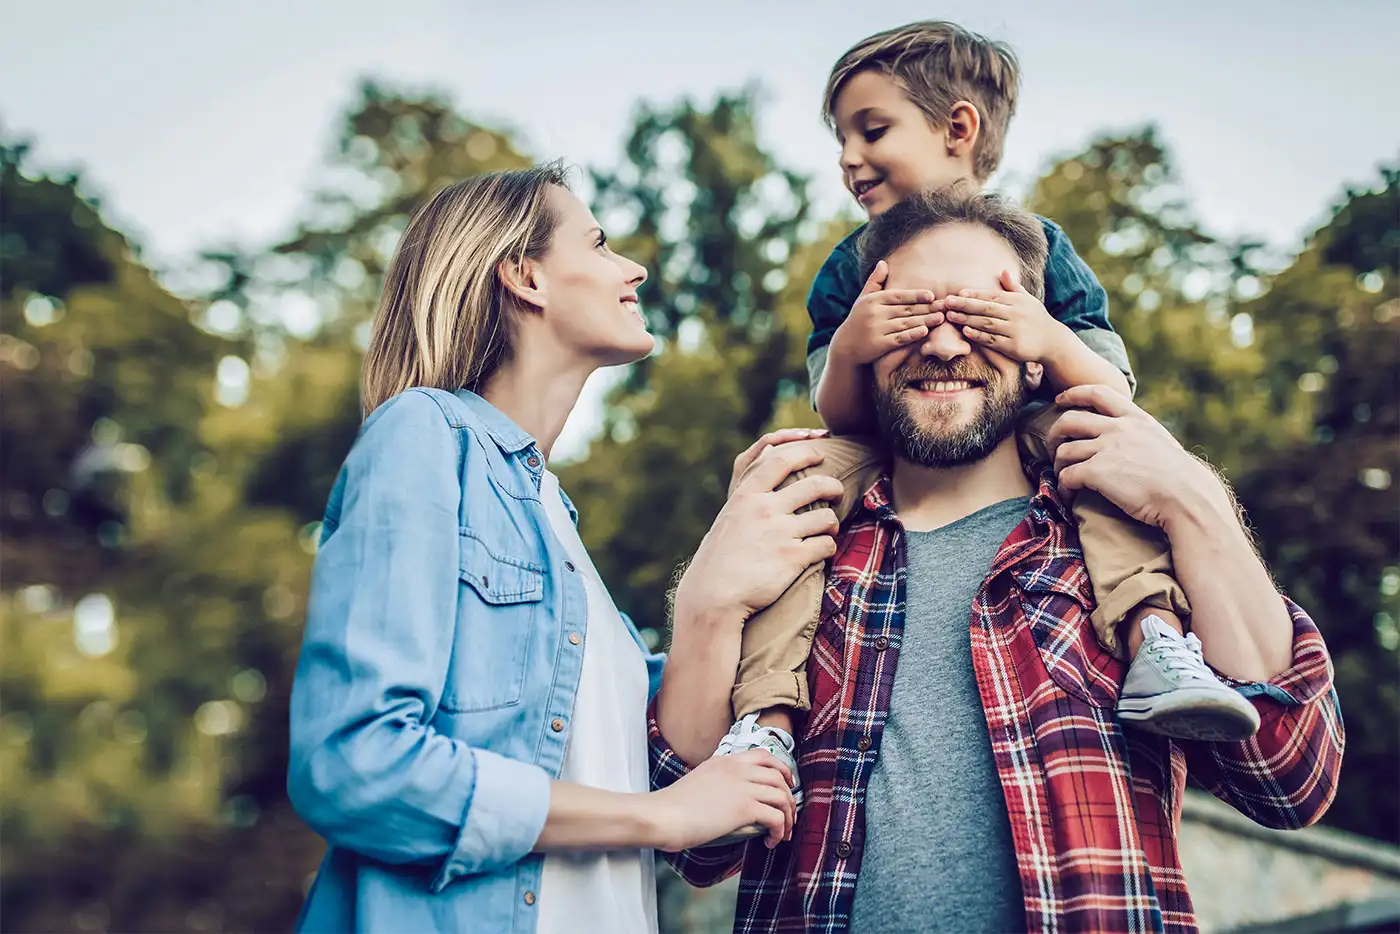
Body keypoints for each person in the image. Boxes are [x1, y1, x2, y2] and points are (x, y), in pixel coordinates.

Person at [649, 189, 1344, 933]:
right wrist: (705, 606)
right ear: (861, 342)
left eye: (979, 316)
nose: (945, 346)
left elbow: (1289, 780)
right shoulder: (799, 538)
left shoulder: (1119, 544)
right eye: (913, 315)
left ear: (1040, 352)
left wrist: (1195, 503)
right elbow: (697, 849)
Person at [286, 163, 843, 934]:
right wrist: (660, 818)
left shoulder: (553, 518)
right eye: (601, 242)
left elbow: (669, 772)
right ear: (525, 277)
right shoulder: (424, 435)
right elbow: (354, 764)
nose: (634, 268)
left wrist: (715, 592)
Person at [711, 22, 1257, 799]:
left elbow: (1109, 389)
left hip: (1027, 427)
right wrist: (851, 351)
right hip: (893, 441)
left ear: (958, 129)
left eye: (872, 130)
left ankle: (1155, 638)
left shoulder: (1038, 245)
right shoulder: (850, 268)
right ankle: (766, 716)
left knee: (1103, 456)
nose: (847, 159)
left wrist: (1046, 337)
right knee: (795, 483)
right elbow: (839, 416)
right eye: (840, 139)